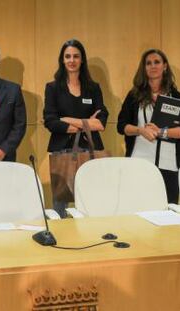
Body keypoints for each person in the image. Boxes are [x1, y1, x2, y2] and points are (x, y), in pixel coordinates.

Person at [43, 39, 109, 218]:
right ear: (62, 60)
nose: (71, 60)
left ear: (82, 60)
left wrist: (68, 120)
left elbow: (101, 123)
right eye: (68, 56)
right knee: (61, 203)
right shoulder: (53, 88)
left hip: (90, 149)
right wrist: (87, 123)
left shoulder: (93, 88)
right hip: (61, 150)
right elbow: (50, 121)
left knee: (90, 198)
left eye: (76, 56)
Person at [117, 49, 180, 204]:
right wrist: (140, 130)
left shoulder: (177, 97)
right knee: (137, 207)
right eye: (148, 63)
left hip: (169, 165)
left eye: (157, 62)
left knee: (168, 211)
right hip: (139, 162)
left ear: (165, 66)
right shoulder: (134, 95)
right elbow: (121, 126)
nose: (153, 66)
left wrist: (162, 132)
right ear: (144, 68)